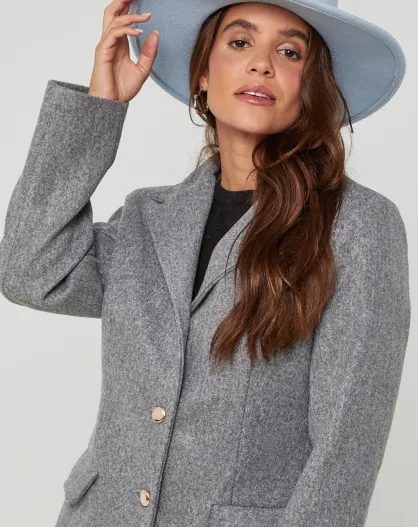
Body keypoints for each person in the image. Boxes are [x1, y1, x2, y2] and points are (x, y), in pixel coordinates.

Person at [0, 1, 411, 526]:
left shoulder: (358, 226)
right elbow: (30, 272)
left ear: (312, 87)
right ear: (201, 73)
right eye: (240, 42)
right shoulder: (148, 219)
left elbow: (344, 453)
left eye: (289, 52)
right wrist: (99, 110)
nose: (261, 63)